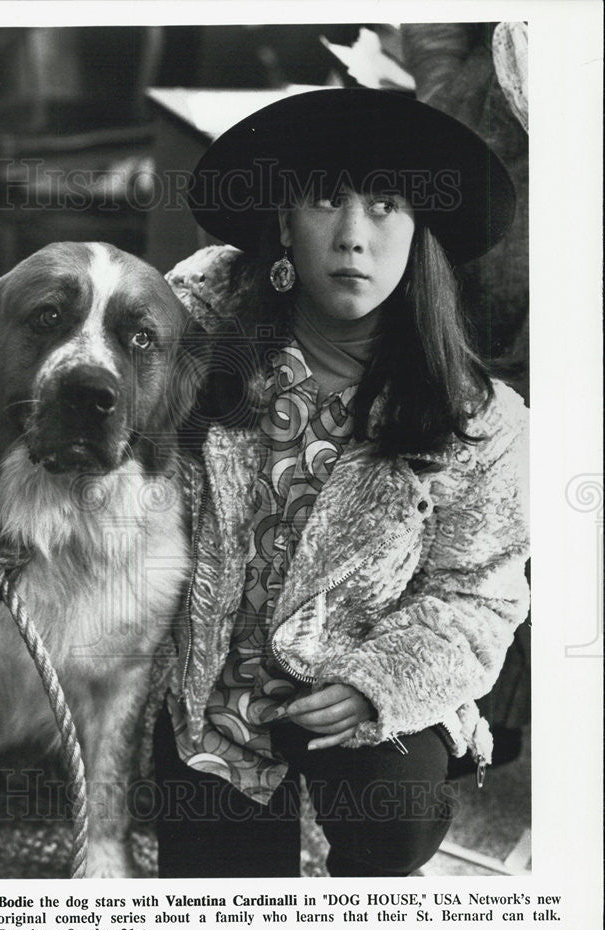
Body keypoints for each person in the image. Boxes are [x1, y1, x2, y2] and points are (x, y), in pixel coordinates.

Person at [149, 87, 529, 878]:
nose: (355, 236)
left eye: (386, 205)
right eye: (327, 200)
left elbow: (479, 596)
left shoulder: (479, 422)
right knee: (224, 913)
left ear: (420, 231)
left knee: (390, 814)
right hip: (211, 678)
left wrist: (376, 685)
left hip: (358, 675)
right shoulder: (201, 334)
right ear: (284, 223)